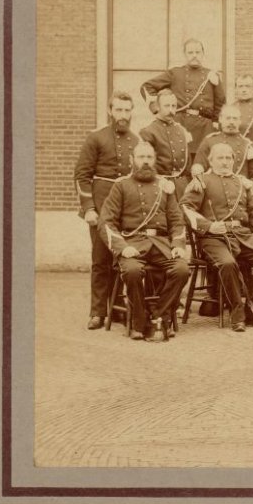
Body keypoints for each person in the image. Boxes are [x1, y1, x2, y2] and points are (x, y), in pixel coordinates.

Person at [180, 143, 253, 331]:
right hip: (213, 239)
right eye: (220, 158)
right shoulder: (201, 181)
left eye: (228, 158)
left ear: (234, 161)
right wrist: (209, 226)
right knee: (228, 264)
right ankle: (237, 314)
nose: (225, 162)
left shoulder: (241, 183)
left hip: (242, 236)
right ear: (211, 161)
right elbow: (185, 208)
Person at [98, 142, 190, 340]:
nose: (146, 161)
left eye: (149, 157)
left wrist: (178, 245)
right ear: (132, 160)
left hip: (160, 245)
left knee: (182, 269)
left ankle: (158, 316)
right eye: (141, 157)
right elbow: (106, 222)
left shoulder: (164, 186)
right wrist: (122, 247)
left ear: (154, 160)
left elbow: (177, 221)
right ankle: (139, 321)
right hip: (132, 243)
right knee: (132, 271)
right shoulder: (121, 185)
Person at [74, 91, 139, 330]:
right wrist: (89, 208)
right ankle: (97, 312)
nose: (123, 115)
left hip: (126, 209)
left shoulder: (137, 141)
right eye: (118, 109)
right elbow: (81, 176)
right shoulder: (96, 138)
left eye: (127, 110)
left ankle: (116, 307)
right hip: (101, 207)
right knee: (101, 259)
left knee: (120, 258)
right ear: (110, 111)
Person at [140, 38, 225, 148]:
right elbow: (146, 87)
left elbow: (220, 102)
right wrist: (157, 110)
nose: (194, 55)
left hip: (204, 128)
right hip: (180, 125)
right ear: (184, 55)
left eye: (197, 52)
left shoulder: (212, 75)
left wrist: (216, 122)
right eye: (190, 52)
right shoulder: (175, 73)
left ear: (203, 54)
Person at [138, 89, 194, 198]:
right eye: (167, 106)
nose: (171, 110)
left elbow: (188, 165)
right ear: (158, 107)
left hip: (182, 187)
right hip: (159, 186)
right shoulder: (148, 132)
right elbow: (145, 166)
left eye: (173, 106)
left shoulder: (181, 131)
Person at [191, 104, 253, 186]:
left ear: (240, 121)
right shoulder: (209, 141)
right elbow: (198, 167)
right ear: (220, 119)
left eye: (235, 118)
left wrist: (247, 186)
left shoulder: (248, 145)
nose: (231, 122)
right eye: (228, 118)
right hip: (213, 189)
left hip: (238, 190)